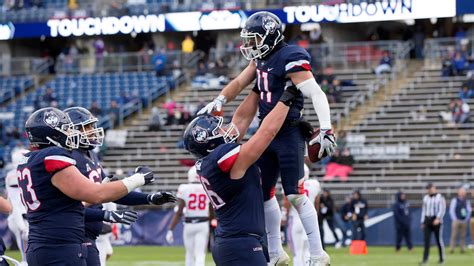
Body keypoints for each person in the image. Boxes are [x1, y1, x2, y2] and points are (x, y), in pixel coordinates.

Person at [197, 11, 335, 265]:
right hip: (265, 133)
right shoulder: (261, 58)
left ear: (270, 35)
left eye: (254, 39)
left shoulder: (290, 56)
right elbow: (239, 81)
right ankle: (275, 251)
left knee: (295, 194)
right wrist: (219, 99)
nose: (249, 45)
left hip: (289, 131)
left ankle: (317, 253)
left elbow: (316, 92)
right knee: (265, 194)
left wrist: (326, 128)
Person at [184, 86, 328, 265]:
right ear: (207, 141)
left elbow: (242, 119)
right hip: (239, 244)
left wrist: (258, 88)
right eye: (219, 130)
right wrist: (287, 98)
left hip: (236, 242)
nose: (226, 129)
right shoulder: (219, 158)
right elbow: (266, 133)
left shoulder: (211, 160)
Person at [18, 107, 155, 266]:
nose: (71, 133)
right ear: (52, 134)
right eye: (66, 129)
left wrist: (147, 198)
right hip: (60, 247)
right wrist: (138, 179)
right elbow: (96, 194)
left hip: (44, 244)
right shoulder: (52, 155)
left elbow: (67, 204)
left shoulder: (29, 160)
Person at [64, 106, 177, 266]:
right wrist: (106, 216)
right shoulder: (71, 159)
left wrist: (149, 198)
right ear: (71, 131)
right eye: (86, 127)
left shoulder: (89, 154)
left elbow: (111, 192)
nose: (92, 130)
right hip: (75, 235)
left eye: (91, 126)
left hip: (87, 235)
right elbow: (71, 208)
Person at [166, 166, 211, 266]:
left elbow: (179, 212)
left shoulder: (184, 188)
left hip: (189, 224)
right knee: (200, 254)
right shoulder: (206, 187)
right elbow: (211, 209)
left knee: (189, 254)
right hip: (203, 224)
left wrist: (170, 229)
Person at [285, 164, 321, 266]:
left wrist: (284, 216)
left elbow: (286, 203)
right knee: (307, 251)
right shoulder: (315, 184)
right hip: (309, 221)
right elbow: (317, 202)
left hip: (295, 220)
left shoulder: (290, 183)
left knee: (297, 253)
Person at [5, 149, 29, 266]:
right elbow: (15, 202)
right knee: (25, 258)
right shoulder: (13, 174)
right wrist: (21, 225)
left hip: (24, 215)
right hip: (20, 216)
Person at [420, 183, 446, 265]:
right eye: (428, 189)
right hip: (427, 219)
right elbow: (424, 210)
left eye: (430, 188)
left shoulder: (440, 197)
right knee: (426, 241)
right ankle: (425, 260)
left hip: (436, 220)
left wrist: (438, 218)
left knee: (438, 240)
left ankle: (442, 259)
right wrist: (422, 222)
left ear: (434, 188)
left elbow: (442, 209)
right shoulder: (425, 198)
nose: (429, 190)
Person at [448, 187, 471, 253]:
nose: (462, 193)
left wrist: (466, 218)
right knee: (454, 235)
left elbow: (468, 210)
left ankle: (462, 249)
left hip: (464, 220)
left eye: (463, 192)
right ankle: (452, 249)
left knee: (463, 236)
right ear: (458, 192)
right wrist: (455, 219)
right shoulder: (455, 200)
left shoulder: (466, 201)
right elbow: (451, 210)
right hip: (456, 220)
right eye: (461, 192)